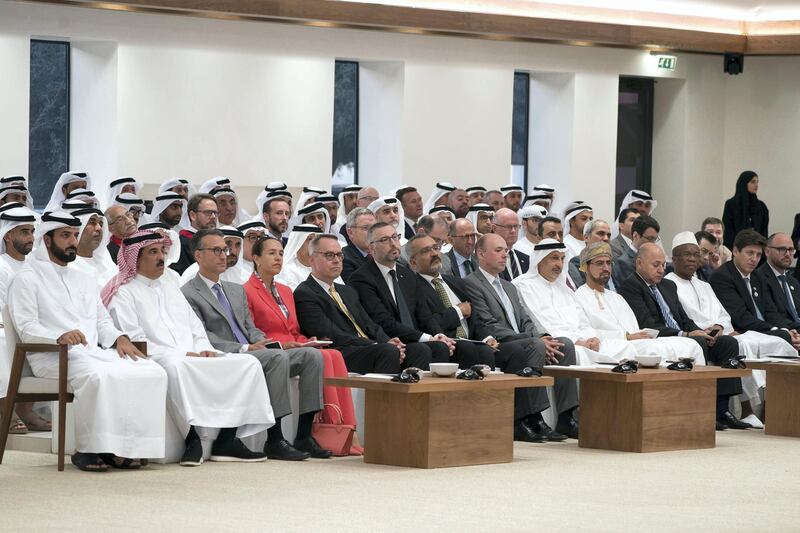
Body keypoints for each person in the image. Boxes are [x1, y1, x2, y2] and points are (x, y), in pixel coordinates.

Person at [8, 211, 168, 471]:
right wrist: (58, 336)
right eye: (65, 236)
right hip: (51, 356)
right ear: (47, 240)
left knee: (151, 370)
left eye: (74, 235)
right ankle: (88, 448)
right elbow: (26, 328)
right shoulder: (26, 278)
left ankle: (125, 447)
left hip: (92, 353)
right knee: (97, 376)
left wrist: (120, 339)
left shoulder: (83, 278)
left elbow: (102, 321)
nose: (72, 241)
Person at [103, 230, 273, 465]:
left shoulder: (170, 287)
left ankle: (227, 439)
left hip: (193, 353)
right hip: (159, 356)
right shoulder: (124, 292)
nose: (161, 257)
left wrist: (204, 347)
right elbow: (135, 340)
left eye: (162, 250)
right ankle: (192, 437)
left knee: (247, 363)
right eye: (153, 252)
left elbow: (195, 327)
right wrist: (184, 353)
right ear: (135, 258)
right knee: (176, 367)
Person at [181, 229, 327, 460]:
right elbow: (203, 335)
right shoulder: (188, 292)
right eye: (216, 250)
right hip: (226, 354)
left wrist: (270, 343)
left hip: (254, 351)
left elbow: (250, 327)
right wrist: (247, 348)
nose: (224, 255)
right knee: (276, 359)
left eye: (225, 250)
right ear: (198, 255)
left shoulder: (234, 289)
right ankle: (275, 438)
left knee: (311, 356)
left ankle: (303, 435)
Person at [244, 235, 362, 456]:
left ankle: (307, 434)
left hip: (294, 348)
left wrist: (303, 342)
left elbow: (294, 330)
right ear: (256, 258)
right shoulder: (246, 290)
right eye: (271, 253)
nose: (278, 258)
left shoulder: (286, 291)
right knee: (312, 356)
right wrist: (281, 345)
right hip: (272, 350)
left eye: (280, 253)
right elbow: (250, 330)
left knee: (326, 354)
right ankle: (277, 438)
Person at [617, 243, 749, 430]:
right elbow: (647, 323)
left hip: (683, 334)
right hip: (659, 337)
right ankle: (698, 407)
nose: (661, 270)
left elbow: (683, 318)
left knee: (727, 342)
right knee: (696, 342)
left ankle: (721, 410)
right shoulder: (630, 287)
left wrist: (699, 330)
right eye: (656, 265)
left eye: (663, 265)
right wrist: (686, 334)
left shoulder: (668, 285)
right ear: (639, 263)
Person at [665, 231, 796, 417]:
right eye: (687, 255)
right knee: (738, 344)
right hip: (702, 336)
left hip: (721, 333)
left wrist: (719, 327)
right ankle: (742, 410)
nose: (693, 259)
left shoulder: (704, 285)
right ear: (674, 258)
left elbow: (723, 314)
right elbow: (686, 316)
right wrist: (709, 330)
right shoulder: (669, 284)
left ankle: (777, 406)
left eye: (696, 254)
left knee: (780, 342)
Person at [464, 233, 579, 440]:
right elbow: (487, 325)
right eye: (498, 250)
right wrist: (531, 339)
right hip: (498, 345)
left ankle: (566, 416)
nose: (504, 255)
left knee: (565, 344)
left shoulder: (509, 285)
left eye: (506, 251)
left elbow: (525, 319)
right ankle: (532, 418)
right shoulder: (472, 283)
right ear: (481, 254)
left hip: (524, 340)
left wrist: (543, 336)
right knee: (535, 345)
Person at [513, 239, 639, 364]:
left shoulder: (566, 291)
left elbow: (583, 324)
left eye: (562, 259)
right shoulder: (523, 286)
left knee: (626, 349)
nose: (559, 264)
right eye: (554, 258)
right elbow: (540, 324)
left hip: (582, 342)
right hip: (557, 344)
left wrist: (591, 339)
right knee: (581, 353)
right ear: (539, 260)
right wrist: (576, 341)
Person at [574, 242, 705, 362]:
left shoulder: (616, 297)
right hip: (609, 346)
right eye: (599, 263)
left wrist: (636, 336)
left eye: (608, 263)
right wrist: (626, 337)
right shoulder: (579, 297)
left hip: (632, 343)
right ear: (585, 267)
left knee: (692, 345)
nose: (606, 268)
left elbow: (633, 328)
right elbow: (585, 333)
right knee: (652, 350)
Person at [294, 234, 406, 374]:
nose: (336, 260)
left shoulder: (347, 291)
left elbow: (369, 324)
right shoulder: (304, 293)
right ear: (311, 260)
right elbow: (330, 334)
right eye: (329, 255)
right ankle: (383, 396)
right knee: (387, 351)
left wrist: (389, 340)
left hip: (369, 347)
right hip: (340, 351)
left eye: (339, 255)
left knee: (421, 350)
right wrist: (376, 344)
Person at [348, 223, 452, 370]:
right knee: (423, 349)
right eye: (385, 240)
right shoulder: (361, 278)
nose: (393, 243)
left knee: (446, 347)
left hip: (414, 337)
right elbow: (383, 320)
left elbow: (424, 315)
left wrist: (439, 334)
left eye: (395, 237)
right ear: (371, 248)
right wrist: (426, 337)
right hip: (391, 341)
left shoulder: (408, 274)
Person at [407, 234, 495, 369]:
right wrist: (458, 311)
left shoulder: (456, 282)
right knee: (468, 348)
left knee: (491, 349)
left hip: (471, 340)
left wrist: (487, 338)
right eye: (426, 251)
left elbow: (476, 319)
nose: (434, 254)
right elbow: (427, 323)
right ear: (413, 262)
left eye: (435, 248)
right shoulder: (412, 287)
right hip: (446, 342)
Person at [0, 205, 49, 435]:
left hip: (31, 324)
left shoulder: (36, 268)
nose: (30, 238)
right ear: (8, 235)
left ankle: (25, 409)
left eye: (32, 231)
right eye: (24, 232)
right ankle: (4, 410)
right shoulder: (1, 266)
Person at [710, 229, 800, 348]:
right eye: (750, 253)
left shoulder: (757, 276)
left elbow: (770, 311)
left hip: (763, 331)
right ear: (736, 251)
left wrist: (787, 329)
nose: (754, 259)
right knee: (784, 337)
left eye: (758, 255)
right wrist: (776, 330)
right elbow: (740, 317)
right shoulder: (722, 276)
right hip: (742, 332)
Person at [757, 232, 800, 330]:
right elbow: (773, 317)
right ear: (767, 251)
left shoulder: (793, 281)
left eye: (791, 249)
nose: (788, 254)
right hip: (783, 333)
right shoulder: (759, 279)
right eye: (782, 249)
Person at [180, 226, 248, 285]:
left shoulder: (244, 276)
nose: (234, 251)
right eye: (228, 244)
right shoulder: (193, 275)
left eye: (238, 245)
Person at [70, 207, 117, 290]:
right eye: (92, 222)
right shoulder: (69, 266)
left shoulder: (106, 262)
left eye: (101, 224)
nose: (99, 228)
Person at [172, 193, 218, 275]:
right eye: (208, 212)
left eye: (215, 213)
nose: (213, 217)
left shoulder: (219, 242)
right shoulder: (181, 243)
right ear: (193, 215)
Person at [722, 171, 769, 251]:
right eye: (753, 182)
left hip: (757, 252)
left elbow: (764, 233)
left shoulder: (761, 207)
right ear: (744, 183)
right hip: (736, 251)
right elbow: (728, 232)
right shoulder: (731, 204)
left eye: (757, 182)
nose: (756, 185)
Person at [612, 215, 660, 288]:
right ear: (635, 236)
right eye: (650, 238)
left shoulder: (655, 259)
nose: (653, 243)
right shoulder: (624, 263)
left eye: (655, 239)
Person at [276, 224, 327, 290]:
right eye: (310, 239)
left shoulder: (325, 267)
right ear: (298, 243)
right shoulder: (286, 270)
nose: (314, 244)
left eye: (316, 240)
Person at [567, 219, 612, 289]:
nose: (606, 238)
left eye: (608, 235)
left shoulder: (613, 262)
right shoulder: (578, 262)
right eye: (601, 233)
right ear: (586, 237)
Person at [491, 208, 529, 280]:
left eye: (516, 226)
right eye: (508, 227)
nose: (513, 231)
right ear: (494, 228)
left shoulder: (526, 259)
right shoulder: (489, 258)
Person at [342, 208, 375, 283]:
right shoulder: (344, 259)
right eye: (366, 228)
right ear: (350, 232)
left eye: (374, 227)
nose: (372, 232)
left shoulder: (382, 252)